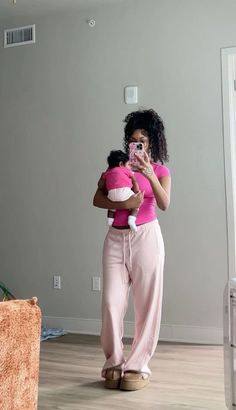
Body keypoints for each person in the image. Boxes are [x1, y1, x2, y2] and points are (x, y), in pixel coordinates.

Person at [93, 108, 171, 391]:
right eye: (133, 139)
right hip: (115, 239)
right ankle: (114, 362)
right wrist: (125, 204)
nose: (137, 144)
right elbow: (98, 198)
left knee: (147, 304)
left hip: (146, 237)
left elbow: (164, 203)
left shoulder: (161, 170)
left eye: (143, 140)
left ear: (152, 143)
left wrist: (149, 174)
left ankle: (138, 366)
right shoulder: (116, 167)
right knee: (111, 303)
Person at [101, 149, 139, 232]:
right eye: (129, 164)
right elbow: (134, 181)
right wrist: (136, 192)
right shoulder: (126, 170)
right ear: (121, 164)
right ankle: (131, 219)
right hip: (124, 192)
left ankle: (109, 220)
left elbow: (100, 184)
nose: (130, 166)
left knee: (111, 207)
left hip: (111, 195)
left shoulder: (108, 172)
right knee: (136, 203)